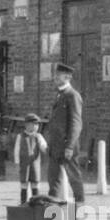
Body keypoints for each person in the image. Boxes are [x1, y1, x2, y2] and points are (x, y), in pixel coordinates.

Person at [45, 62, 84, 207]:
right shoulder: (59, 95)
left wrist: (70, 146)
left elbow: (76, 124)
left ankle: (80, 208)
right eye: (55, 74)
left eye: (58, 75)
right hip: (55, 145)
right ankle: (52, 213)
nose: (55, 77)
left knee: (74, 177)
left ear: (67, 77)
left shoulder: (72, 95)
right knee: (53, 179)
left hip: (67, 146)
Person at [13, 113, 47, 205]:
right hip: (24, 164)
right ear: (26, 125)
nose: (36, 126)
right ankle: (23, 202)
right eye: (33, 124)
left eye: (37, 124)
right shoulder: (20, 136)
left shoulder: (38, 136)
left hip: (35, 163)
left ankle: (36, 203)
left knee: (35, 182)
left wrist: (46, 149)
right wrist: (17, 162)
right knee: (24, 183)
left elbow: (43, 146)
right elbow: (17, 150)